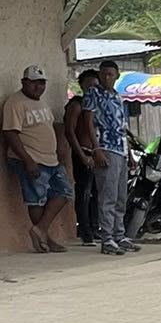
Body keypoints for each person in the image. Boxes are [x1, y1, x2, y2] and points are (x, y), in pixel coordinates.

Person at [2, 63, 72, 253]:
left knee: (64, 192)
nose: (38, 87)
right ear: (24, 82)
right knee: (36, 200)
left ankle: (40, 230)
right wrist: (27, 160)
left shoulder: (41, 102)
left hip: (50, 159)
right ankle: (44, 238)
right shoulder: (16, 103)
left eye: (42, 83)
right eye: (34, 83)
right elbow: (10, 133)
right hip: (31, 158)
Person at [82, 59, 135, 256]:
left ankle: (119, 235)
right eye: (103, 74)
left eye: (110, 74)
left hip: (121, 149)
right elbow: (88, 122)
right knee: (107, 196)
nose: (106, 77)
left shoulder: (118, 97)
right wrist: (96, 149)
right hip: (105, 147)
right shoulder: (93, 93)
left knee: (121, 196)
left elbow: (122, 128)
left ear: (117, 76)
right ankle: (107, 238)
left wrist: (129, 153)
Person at [63, 71, 100, 245]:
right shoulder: (77, 105)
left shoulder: (98, 105)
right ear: (82, 85)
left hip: (97, 154)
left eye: (95, 85)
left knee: (96, 194)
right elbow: (70, 132)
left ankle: (95, 228)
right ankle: (85, 232)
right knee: (84, 193)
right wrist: (82, 155)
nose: (92, 88)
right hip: (83, 153)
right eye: (89, 85)